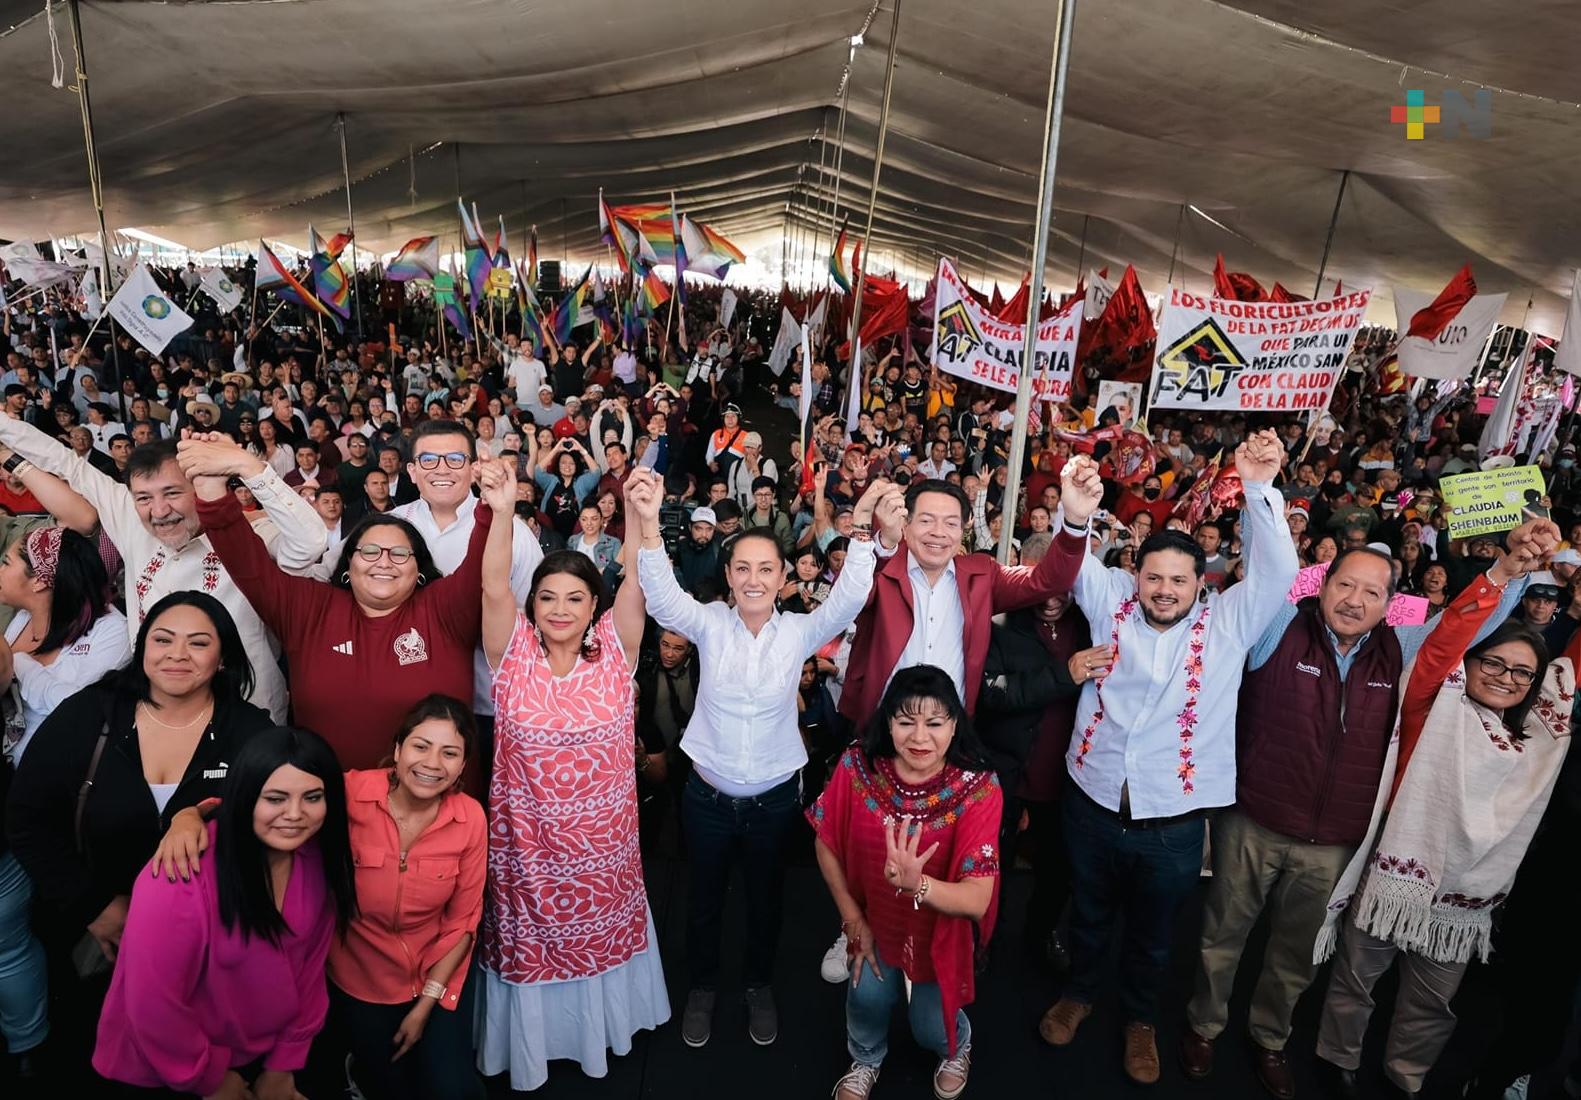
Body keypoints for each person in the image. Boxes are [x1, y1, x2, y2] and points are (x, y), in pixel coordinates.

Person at [1178, 539, 1532, 1098]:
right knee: (1221, 934)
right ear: (1321, 586)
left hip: (1335, 841)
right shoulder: (1278, 630)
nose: (1354, 599)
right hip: (1255, 820)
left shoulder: (1401, 648)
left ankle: (1270, 1038)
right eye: (1344, 584)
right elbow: (1259, 580)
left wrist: (1506, 574)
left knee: (1295, 955)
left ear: (1391, 603)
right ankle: (1204, 1026)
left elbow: (1467, 630)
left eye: (1372, 591)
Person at [1038, 430, 1299, 1087]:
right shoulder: (1110, 608)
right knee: (1089, 916)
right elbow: (1072, 567)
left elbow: (1279, 575)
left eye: (1177, 580)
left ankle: (1138, 1021)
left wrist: (1259, 488)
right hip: (1092, 805)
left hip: (1174, 825)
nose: (1163, 589)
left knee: (1155, 939)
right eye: (1152, 576)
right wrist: (1073, 514)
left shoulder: (1228, 622)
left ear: (1198, 583)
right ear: (1136, 575)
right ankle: (1079, 993)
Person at [637, 475, 900, 1050]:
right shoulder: (707, 623)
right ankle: (703, 986)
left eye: (766, 569)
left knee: (766, 901)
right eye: (742, 569)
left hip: (775, 802)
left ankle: (758, 984)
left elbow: (853, 596)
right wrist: (651, 523)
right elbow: (660, 598)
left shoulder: (802, 631)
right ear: (729, 578)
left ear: (784, 578)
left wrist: (860, 531)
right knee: (702, 902)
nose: (754, 579)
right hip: (705, 800)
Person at [1313, 522, 1574, 1100]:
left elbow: (1569, 670)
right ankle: (1337, 1059)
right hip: (1394, 876)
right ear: (1469, 664)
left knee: (1432, 1002)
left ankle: (1405, 1078)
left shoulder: (1537, 743)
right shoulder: (1433, 701)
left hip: (1463, 896)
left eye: (1521, 673)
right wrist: (1506, 569)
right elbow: (1445, 640)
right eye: (1493, 664)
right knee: (1358, 978)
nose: (1505, 678)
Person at [153, 694, 489, 1100]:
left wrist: (426, 1005)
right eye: (421, 746)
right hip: (359, 976)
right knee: (389, 1086)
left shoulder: (469, 818)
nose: (432, 763)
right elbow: (266, 802)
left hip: (435, 975)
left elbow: (463, 920)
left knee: (454, 1089)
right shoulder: (349, 792)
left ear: (462, 768)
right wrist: (189, 815)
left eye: (449, 753)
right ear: (398, 750)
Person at [5, 592, 273, 1081]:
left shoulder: (250, 732)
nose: (177, 654)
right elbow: (27, 818)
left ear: (222, 658)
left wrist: (199, 820)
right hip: (95, 946)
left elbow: (271, 834)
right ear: (142, 645)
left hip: (209, 952)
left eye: (198, 643)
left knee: (205, 1068)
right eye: (163, 639)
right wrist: (96, 908)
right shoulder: (90, 714)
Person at [474, 465, 664, 1091]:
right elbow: (494, 585)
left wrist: (641, 515)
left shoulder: (617, 647)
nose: (559, 609)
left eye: (575, 597)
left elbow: (638, 576)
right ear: (533, 605)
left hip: (602, 856)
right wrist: (502, 511)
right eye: (547, 597)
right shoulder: (513, 653)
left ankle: (598, 1032)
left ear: (594, 606)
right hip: (527, 856)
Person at [179, 431, 492, 768]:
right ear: (347, 565)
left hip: (439, 811)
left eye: (400, 554)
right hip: (326, 808)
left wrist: (493, 507)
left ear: (419, 571)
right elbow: (248, 565)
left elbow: (482, 562)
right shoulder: (310, 609)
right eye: (369, 551)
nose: (383, 561)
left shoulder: (443, 610)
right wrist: (210, 485)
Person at [0, 412, 325, 722]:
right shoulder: (128, 516)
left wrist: (247, 466)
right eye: (144, 498)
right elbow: (64, 462)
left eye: (172, 493)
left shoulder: (244, 532)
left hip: (248, 713)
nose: (158, 511)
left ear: (198, 486)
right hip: (158, 715)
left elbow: (309, 545)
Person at [91, 726, 355, 1099]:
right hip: (164, 1069)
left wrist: (283, 1066)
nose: (295, 815)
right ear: (245, 796)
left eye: (312, 797)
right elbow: (152, 1004)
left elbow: (309, 973)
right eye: (275, 798)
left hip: (259, 1058)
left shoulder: (314, 859)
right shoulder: (181, 875)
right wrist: (212, 1078)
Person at [813, 666, 1001, 1100]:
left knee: (931, 1025)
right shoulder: (859, 767)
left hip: (940, 929)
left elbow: (977, 899)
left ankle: (957, 1046)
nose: (920, 737)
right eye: (905, 721)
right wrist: (851, 917)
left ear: (955, 725)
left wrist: (918, 885)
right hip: (873, 921)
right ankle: (865, 1058)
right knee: (866, 1001)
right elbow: (825, 842)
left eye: (935, 723)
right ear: (888, 722)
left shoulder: (978, 788)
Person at [0, 526, 130, 761]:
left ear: (39, 581)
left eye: (6, 563)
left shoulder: (112, 632)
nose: (0, 570)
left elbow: (80, 709)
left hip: (59, 774)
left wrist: (19, 665)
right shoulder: (22, 618)